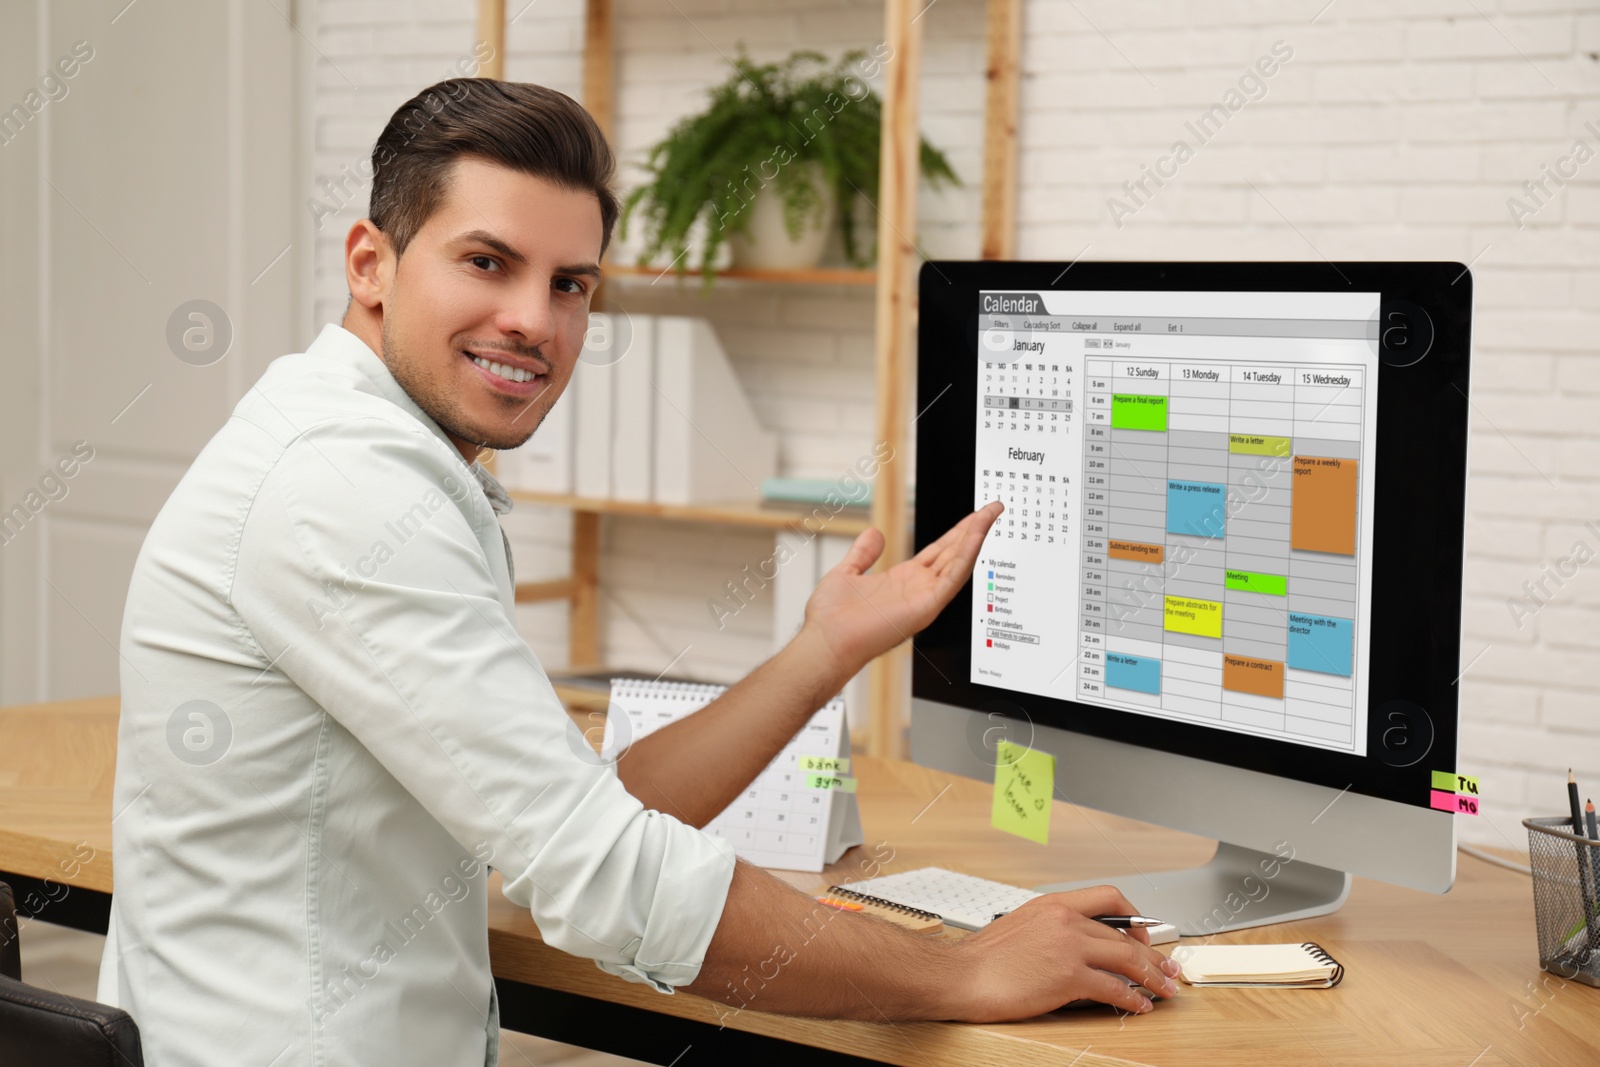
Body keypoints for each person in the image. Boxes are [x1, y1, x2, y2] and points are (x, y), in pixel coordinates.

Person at [97, 77, 1177, 1066]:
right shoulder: (345, 489)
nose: (534, 318)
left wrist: (823, 649)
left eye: (570, 283)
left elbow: (576, 820)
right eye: (487, 261)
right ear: (370, 264)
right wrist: (969, 967)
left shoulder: (373, 451)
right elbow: (607, 875)